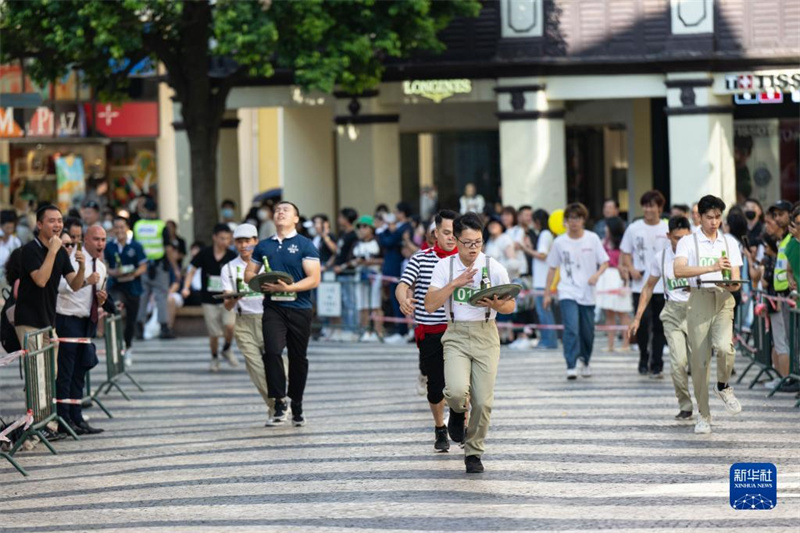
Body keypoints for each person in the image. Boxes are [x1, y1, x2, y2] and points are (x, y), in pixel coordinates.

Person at [425, 212, 514, 473]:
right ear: (456, 240)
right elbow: (430, 305)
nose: (473, 248)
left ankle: (474, 452)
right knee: (454, 390)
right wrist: (455, 283)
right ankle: (456, 411)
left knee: (483, 401)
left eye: (478, 242)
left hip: (486, 333)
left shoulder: (494, 266)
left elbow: (511, 305)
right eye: (468, 243)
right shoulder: (446, 266)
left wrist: (497, 303)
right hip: (456, 334)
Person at [244, 201, 321, 427]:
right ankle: (279, 401)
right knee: (272, 352)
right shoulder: (264, 246)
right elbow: (249, 273)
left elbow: (314, 278)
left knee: (298, 358)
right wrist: (259, 281)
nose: (280, 212)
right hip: (273, 307)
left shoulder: (305, 245)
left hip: (300, 308)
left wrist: (289, 288)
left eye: (286, 210)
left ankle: (296, 401)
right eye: (277, 210)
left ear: (296, 219)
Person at [673, 195, 743, 435]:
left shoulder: (729, 242)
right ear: (699, 217)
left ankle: (723, 386)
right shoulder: (687, 242)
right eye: (709, 217)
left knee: (725, 348)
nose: (714, 222)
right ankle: (703, 415)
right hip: (699, 299)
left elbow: (735, 276)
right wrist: (711, 268)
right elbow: (679, 270)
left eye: (718, 217)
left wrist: (733, 284)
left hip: (723, 298)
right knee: (700, 361)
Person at [396, 210, 458, 452]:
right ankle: (439, 428)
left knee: (461, 384)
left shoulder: (467, 259)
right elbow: (403, 285)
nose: (451, 238)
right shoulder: (421, 258)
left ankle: (458, 421)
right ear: (435, 233)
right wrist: (404, 300)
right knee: (436, 387)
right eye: (446, 233)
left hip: (459, 331)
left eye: (455, 233)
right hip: (430, 331)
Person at [628, 216, 694, 421]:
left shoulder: (698, 256)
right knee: (677, 363)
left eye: (684, 238)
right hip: (673, 312)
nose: (680, 242)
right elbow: (647, 287)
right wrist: (637, 318)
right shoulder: (661, 257)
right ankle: (685, 405)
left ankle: (704, 406)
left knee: (699, 365)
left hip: (697, 312)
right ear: (668, 236)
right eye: (676, 238)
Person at [544, 203, 609, 379]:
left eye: (578, 218)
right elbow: (551, 268)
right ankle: (571, 364)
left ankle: (585, 360)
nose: (574, 222)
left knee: (588, 332)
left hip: (588, 292)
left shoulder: (593, 238)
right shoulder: (559, 242)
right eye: (571, 218)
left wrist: (596, 275)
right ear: (566, 221)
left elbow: (605, 261)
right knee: (571, 328)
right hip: (567, 291)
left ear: (583, 220)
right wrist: (547, 294)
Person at [55, 224, 108, 436]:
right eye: (96, 239)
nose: (100, 244)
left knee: (80, 371)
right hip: (68, 319)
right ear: (85, 239)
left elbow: (97, 296)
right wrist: (86, 282)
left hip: (87, 321)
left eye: (103, 240)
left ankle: (76, 417)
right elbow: (61, 288)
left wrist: (101, 300)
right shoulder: (73, 259)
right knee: (66, 372)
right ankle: (63, 417)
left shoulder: (101, 267)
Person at [220, 223, 276, 422]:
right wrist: (235, 297)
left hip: (269, 317)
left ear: (256, 241)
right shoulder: (228, 268)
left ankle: (278, 402)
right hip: (243, 320)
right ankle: (276, 404)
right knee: (254, 366)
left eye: (248, 241)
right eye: (239, 241)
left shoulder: (267, 264)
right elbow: (227, 305)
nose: (244, 245)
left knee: (276, 363)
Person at [15, 205, 86, 347]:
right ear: (39, 225)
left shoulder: (60, 251)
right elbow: (41, 280)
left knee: (52, 369)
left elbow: (75, 285)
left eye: (60, 221)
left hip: (49, 322)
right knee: (37, 369)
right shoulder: (30, 249)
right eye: (52, 221)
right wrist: (52, 250)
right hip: (29, 321)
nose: (57, 225)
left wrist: (82, 267)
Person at [620, 191, 669, 377]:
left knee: (659, 325)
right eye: (646, 205)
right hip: (640, 285)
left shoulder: (666, 229)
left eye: (652, 205)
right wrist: (630, 268)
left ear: (659, 208)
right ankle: (643, 356)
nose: (648, 209)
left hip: (662, 286)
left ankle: (657, 362)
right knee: (642, 322)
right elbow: (625, 252)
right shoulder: (634, 228)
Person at [182, 223, 238, 372]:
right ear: (214, 238)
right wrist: (186, 287)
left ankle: (226, 348)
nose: (224, 242)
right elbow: (192, 270)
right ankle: (214, 357)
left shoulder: (232, 256)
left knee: (230, 326)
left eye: (227, 239)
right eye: (221, 238)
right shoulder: (204, 253)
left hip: (228, 298)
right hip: (208, 299)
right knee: (214, 333)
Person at [134, 197, 179, 340]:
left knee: (142, 297)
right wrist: (175, 268)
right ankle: (164, 327)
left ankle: (139, 326)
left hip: (142, 266)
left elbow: (136, 247)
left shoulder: (138, 225)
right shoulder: (161, 226)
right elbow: (168, 249)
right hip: (159, 266)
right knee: (161, 296)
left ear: (145, 209)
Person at [105, 216, 148, 366]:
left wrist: (132, 274)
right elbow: (104, 265)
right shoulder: (109, 246)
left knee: (131, 320)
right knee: (117, 308)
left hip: (133, 288)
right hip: (116, 286)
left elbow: (143, 266)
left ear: (127, 228)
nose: (119, 230)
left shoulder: (136, 246)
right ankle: (116, 345)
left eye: (122, 227)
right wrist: (113, 272)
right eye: (116, 227)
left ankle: (128, 346)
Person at [379, 202, 416, 344]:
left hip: (399, 269)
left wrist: (385, 230)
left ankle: (403, 331)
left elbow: (387, 242)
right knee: (394, 300)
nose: (394, 214)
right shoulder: (398, 228)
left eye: (397, 212)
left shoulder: (405, 228)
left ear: (402, 213)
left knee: (400, 299)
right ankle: (401, 330)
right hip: (392, 268)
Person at [596, 216, 632, 352]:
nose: (605, 229)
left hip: (618, 276)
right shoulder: (604, 242)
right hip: (606, 278)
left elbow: (626, 262)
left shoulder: (623, 244)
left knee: (623, 312)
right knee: (609, 313)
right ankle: (610, 345)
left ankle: (625, 344)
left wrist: (624, 279)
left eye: (607, 226)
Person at [349, 215, 383, 342]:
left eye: (364, 226)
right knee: (362, 305)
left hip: (374, 276)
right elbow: (350, 261)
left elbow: (384, 259)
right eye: (359, 227)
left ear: (371, 228)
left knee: (375, 305)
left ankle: (378, 332)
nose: (361, 229)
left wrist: (372, 261)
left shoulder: (378, 241)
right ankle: (364, 331)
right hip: (360, 276)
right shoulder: (356, 243)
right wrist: (356, 262)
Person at [329, 207, 359, 341]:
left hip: (348, 273)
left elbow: (352, 256)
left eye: (341, 217)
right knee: (341, 302)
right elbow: (338, 252)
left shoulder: (353, 236)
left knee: (350, 302)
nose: (339, 219)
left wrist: (342, 267)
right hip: (339, 273)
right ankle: (343, 328)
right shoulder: (343, 234)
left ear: (347, 219)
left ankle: (352, 330)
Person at [530, 209, 558, 349]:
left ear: (538, 221)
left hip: (542, 280)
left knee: (544, 312)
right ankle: (547, 340)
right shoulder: (548, 235)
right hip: (541, 279)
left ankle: (550, 341)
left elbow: (542, 255)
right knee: (544, 312)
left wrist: (525, 249)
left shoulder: (545, 234)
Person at [0, 210, 22, 293]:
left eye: (11, 228)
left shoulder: (15, 241)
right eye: (7, 228)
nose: (9, 230)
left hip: (8, 275)